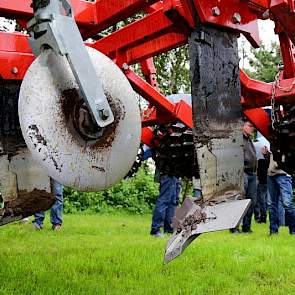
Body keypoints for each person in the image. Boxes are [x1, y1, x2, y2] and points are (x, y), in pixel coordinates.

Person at [231, 119, 257, 233]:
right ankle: (234, 227)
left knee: (251, 201)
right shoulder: (238, 138)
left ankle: (246, 227)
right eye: (250, 126)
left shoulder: (249, 139)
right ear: (243, 126)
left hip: (252, 174)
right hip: (242, 173)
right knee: (240, 201)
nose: (253, 128)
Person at [267, 154, 295, 235]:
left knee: (287, 203)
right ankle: (273, 231)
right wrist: (266, 155)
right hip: (271, 175)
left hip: (284, 175)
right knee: (271, 204)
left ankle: (293, 231)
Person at [150, 172, 181, 237]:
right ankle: (155, 230)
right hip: (167, 171)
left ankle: (169, 229)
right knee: (164, 200)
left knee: (172, 202)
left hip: (175, 174)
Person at [254, 133, 270, 223]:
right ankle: (262, 215)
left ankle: (263, 217)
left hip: (262, 181)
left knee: (261, 199)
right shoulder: (267, 159)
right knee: (265, 199)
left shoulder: (261, 161)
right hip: (267, 180)